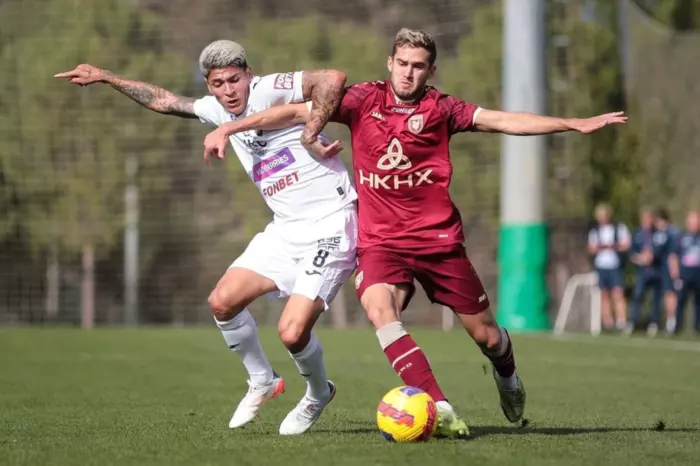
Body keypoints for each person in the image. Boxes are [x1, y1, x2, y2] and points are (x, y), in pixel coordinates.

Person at [202, 28, 628, 437]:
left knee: (488, 336)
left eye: (418, 66)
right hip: (380, 243)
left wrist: (571, 123)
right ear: (390, 63)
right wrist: (230, 126)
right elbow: (296, 111)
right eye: (402, 63)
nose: (408, 73)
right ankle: (440, 408)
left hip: (438, 243)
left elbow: (503, 120)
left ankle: (507, 375)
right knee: (380, 311)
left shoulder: (442, 109)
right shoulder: (363, 100)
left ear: (431, 71)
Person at [55, 40, 357, 436]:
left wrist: (308, 131)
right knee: (222, 302)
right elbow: (164, 101)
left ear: (249, 75)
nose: (229, 91)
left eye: (235, 80)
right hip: (285, 229)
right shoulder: (216, 109)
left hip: (330, 224)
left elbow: (332, 79)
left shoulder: (269, 89)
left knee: (291, 332)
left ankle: (318, 392)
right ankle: (263, 381)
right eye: (218, 84)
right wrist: (106, 77)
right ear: (208, 85)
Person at [588, 204, 631, 332]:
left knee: (618, 293)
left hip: (615, 265)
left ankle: (621, 320)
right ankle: (607, 321)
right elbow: (591, 248)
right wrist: (600, 247)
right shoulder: (595, 231)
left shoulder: (619, 228)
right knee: (603, 295)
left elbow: (626, 244)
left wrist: (614, 246)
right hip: (601, 266)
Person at [627, 208, 662, 336]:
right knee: (637, 296)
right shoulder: (637, 234)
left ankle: (654, 323)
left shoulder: (659, 234)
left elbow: (663, 252)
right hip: (642, 272)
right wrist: (640, 258)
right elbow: (631, 254)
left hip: (656, 272)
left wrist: (653, 256)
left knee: (655, 299)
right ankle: (632, 322)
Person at [669, 210, 700, 334]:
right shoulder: (681, 237)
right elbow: (673, 255)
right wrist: (675, 273)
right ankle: (677, 326)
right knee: (681, 300)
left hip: (698, 274)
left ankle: (697, 326)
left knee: (698, 302)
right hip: (684, 274)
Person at [653, 208, 680, 334]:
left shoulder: (671, 233)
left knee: (670, 294)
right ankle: (668, 322)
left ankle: (672, 322)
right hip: (660, 268)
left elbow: (672, 254)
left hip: (668, 268)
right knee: (665, 295)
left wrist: (674, 271)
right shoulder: (659, 233)